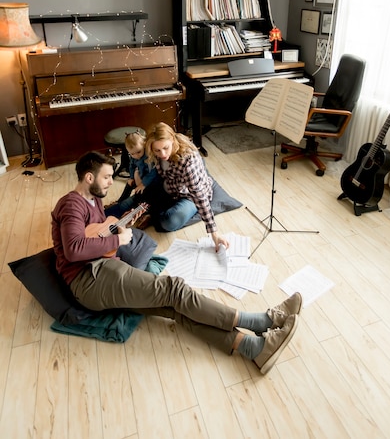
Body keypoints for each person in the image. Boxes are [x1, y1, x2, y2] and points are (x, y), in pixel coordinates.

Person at [51, 150, 302, 374]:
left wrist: (120, 229)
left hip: (101, 273)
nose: (110, 182)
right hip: (89, 278)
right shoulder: (71, 204)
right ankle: (261, 321)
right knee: (174, 289)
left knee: (175, 308)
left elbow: (96, 233)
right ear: (89, 178)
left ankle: (253, 348)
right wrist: (117, 242)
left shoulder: (94, 200)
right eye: (106, 177)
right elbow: (74, 249)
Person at [145, 122, 229, 251]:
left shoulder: (188, 160)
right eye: (157, 150)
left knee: (168, 222)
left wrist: (214, 233)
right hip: (170, 184)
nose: (162, 154)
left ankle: (152, 214)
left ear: (172, 140)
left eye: (166, 148)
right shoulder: (156, 151)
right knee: (140, 197)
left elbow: (198, 195)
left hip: (189, 194)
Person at [105, 129, 159, 224]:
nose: (136, 156)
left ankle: (142, 212)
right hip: (139, 180)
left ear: (144, 145)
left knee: (140, 198)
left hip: (150, 183)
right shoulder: (134, 157)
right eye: (132, 154)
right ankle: (119, 201)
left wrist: (143, 184)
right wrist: (131, 177)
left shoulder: (148, 157)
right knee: (129, 184)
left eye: (138, 152)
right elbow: (131, 166)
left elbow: (153, 173)